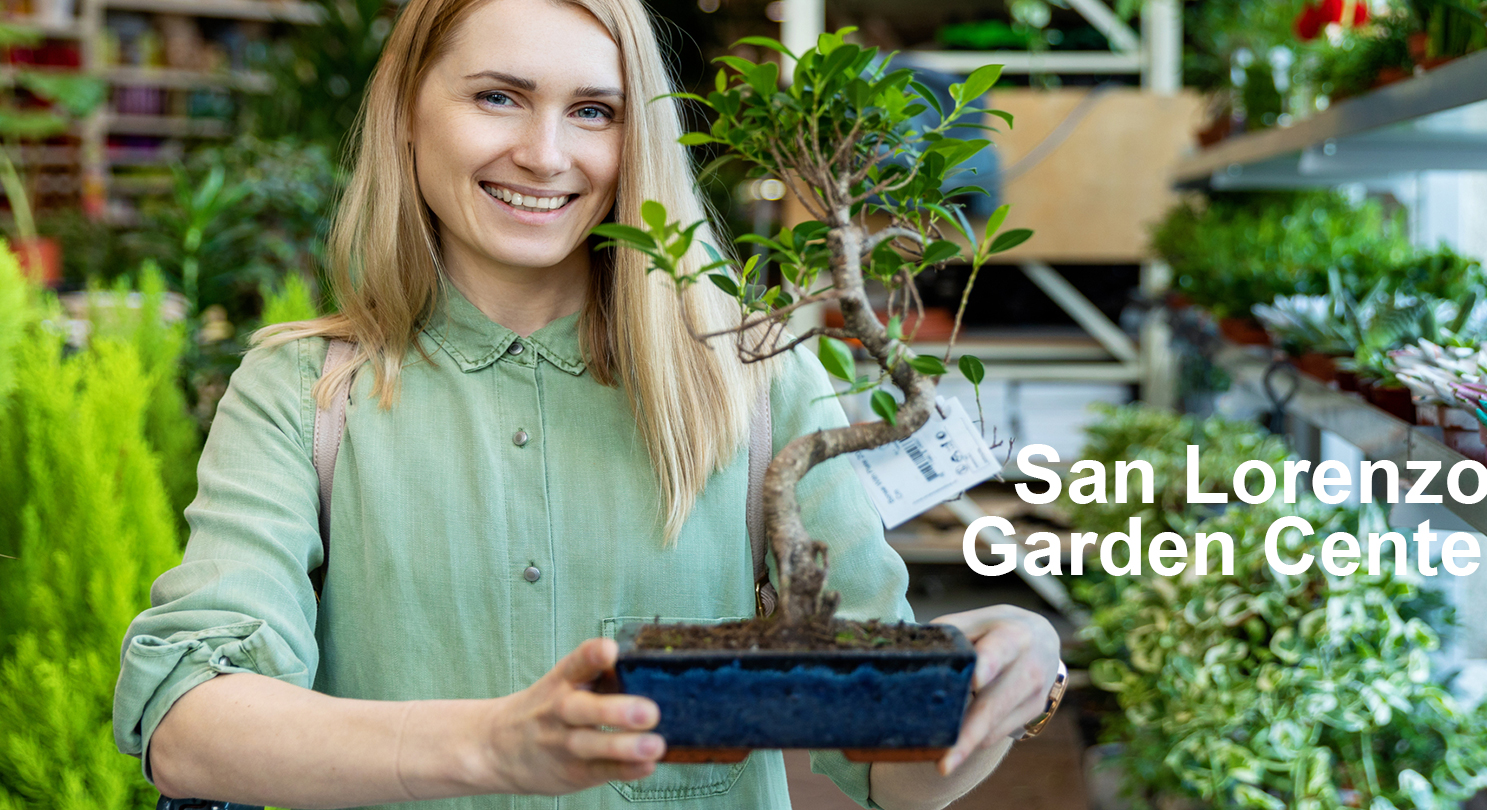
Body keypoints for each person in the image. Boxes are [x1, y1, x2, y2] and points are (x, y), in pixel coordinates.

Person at [110, 0, 1062, 807]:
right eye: (497, 97)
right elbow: (189, 719)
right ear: (407, 112)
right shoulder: (307, 391)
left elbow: (895, 777)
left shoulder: (759, 377)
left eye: (595, 110)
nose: (544, 153)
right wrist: (490, 746)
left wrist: (1007, 673)